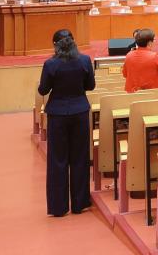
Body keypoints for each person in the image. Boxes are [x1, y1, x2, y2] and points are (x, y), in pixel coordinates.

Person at [37, 29, 95, 216]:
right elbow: (90, 86)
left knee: (57, 160)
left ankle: (59, 207)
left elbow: (43, 90)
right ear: (74, 42)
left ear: (55, 45)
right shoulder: (84, 60)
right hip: (80, 111)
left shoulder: (50, 64)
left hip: (58, 114)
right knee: (80, 157)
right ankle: (80, 203)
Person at [122, 28, 158, 92]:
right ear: (149, 43)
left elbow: (124, 74)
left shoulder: (128, 55)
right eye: (153, 40)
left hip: (133, 94)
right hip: (152, 94)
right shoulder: (156, 56)